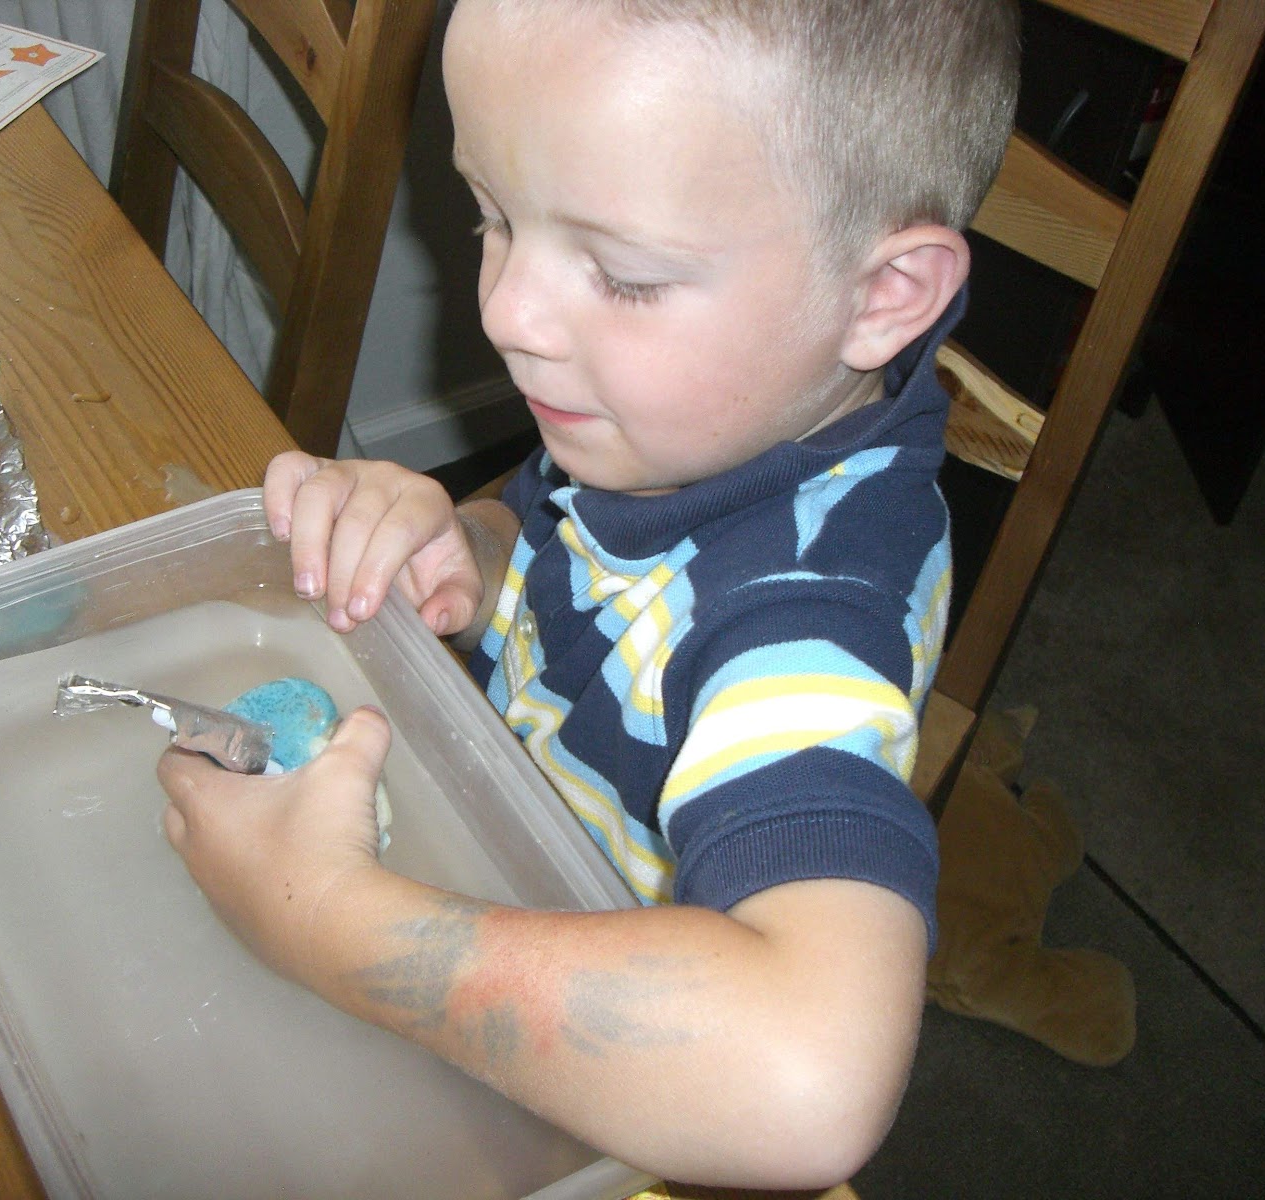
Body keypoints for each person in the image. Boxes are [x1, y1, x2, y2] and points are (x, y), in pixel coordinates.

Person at [159, 0, 1019, 1188]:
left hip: (609, 1096)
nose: (508, 314)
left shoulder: (809, 608)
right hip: (496, 857)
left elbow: (804, 1081)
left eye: (620, 274)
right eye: (493, 218)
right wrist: (468, 541)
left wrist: (320, 922)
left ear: (882, 297)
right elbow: (566, 534)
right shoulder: (680, 417)